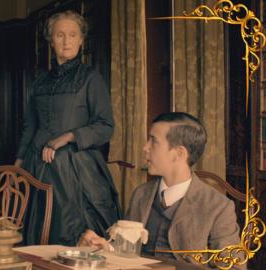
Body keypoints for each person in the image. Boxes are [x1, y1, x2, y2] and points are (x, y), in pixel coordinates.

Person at [78, 112, 244, 269]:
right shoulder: (140, 194)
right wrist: (105, 247)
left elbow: (234, 267)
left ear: (178, 153)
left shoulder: (219, 207)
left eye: (153, 141)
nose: (145, 147)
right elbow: (127, 252)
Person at [14, 10, 121, 246]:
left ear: (81, 40)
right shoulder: (39, 81)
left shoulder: (90, 78)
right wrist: (19, 163)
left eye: (72, 35)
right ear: (50, 40)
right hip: (37, 165)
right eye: (60, 35)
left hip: (77, 168)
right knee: (36, 233)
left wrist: (70, 136)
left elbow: (106, 126)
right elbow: (30, 126)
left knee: (77, 238)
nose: (66, 41)